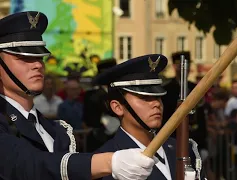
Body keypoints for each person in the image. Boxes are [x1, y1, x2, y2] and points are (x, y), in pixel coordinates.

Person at [0, 11, 155, 180]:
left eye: (39, 56)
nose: (37, 64)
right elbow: (28, 164)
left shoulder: (56, 131)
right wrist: (108, 162)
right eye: (23, 57)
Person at [93, 54, 204, 180]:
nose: (156, 103)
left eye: (157, 96)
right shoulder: (106, 162)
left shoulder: (183, 148)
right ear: (117, 107)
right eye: (144, 98)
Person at [82, 58, 120, 152]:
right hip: (99, 139)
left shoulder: (120, 92)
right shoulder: (92, 95)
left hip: (118, 138)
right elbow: (88, 118)